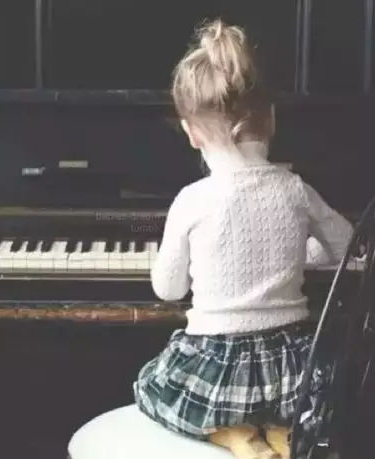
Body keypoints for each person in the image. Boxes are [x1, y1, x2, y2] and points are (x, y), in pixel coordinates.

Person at [133, 18, 353, 459]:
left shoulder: (192, 199)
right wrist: (298, 250)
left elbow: (168, 289)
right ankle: (282, 429)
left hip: (217, 369)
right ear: (271, 118)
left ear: (191, 132)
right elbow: (346, 245)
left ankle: (232, 431)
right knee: (308, 399)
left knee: (147, 386)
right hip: (291, 372)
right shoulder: (295, 189)